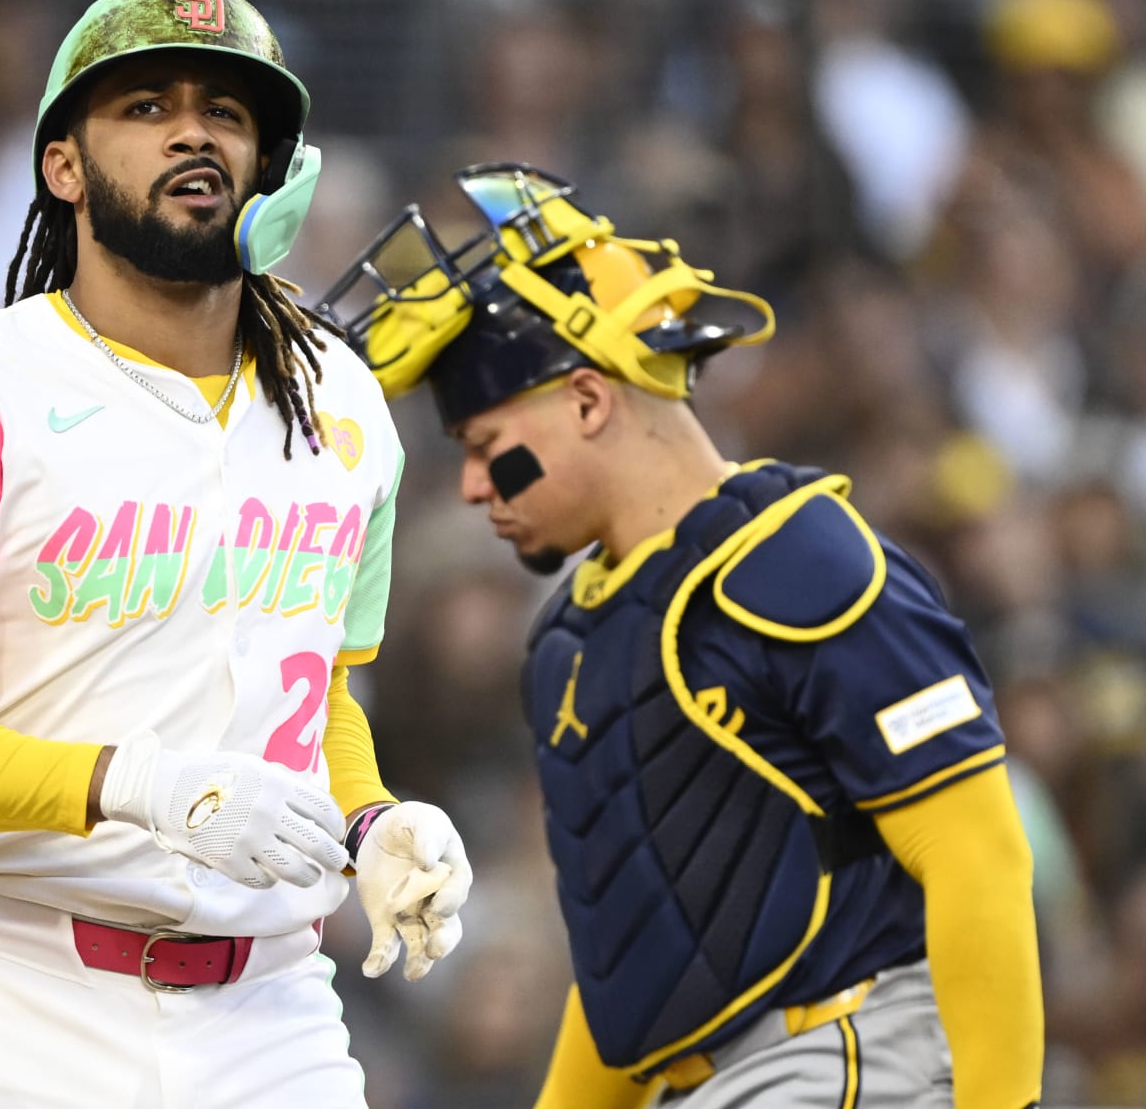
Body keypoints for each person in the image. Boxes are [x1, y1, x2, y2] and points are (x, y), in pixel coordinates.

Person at [0, 0, 471, 1109]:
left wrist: (371, 819)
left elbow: (321, 694)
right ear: (64, 165)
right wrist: (136, 786)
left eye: (228, 112)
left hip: (277, 1014)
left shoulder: (344, 401)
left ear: (270, 169)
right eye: (147, 106)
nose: (194, 131)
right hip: (25, 1004)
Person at [318, 163, 1043, 1109]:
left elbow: (977, 850)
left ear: (587, 400)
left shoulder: (795, 555)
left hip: (842, 1048)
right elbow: (632, 969)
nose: (471, 488)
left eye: (489, 447)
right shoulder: (569, 640)